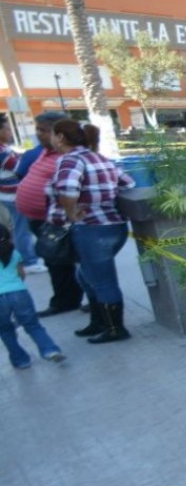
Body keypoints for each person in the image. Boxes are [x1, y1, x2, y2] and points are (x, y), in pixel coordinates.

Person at [46, 119, 135, 343]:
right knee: (86, 275)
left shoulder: (70, 160)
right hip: (114, 226)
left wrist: (71, 212)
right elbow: (129, 184)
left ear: (60, 137)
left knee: (102, 280)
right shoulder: (99, 158)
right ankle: (100, 321)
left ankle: (115, 328)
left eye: (53, 134)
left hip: (92, 230)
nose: (51, 139)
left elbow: (68, 189)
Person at [15, 111, 83, 317]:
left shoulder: (68, 156)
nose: (39, 134)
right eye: (37, 129)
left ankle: (83, 300)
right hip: (41, 220)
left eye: (43, 130)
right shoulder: (45, 152)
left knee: (67, 261)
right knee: (55, 261)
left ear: (59, 134)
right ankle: (65, 299)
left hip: (58, 221)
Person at [0, 224, 65, 369]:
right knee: (32, 325)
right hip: (19, 292)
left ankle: (20, 360)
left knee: (5, 330)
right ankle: (50, 350)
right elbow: (21, 274)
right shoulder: (13, 252)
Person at [0, 114, 43, 274]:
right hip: (11, 196)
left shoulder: (4, 148)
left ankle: (30, 257)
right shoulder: (2, 152)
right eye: (7, 129)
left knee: (22, 227)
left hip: (11, 194)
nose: (10, 132)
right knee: (21, 228)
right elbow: (19, 167)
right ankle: (29, 261)